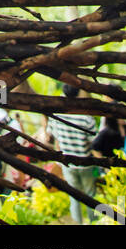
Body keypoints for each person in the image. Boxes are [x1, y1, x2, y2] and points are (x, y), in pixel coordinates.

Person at [49, 85, 99, 224]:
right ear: (78, 93)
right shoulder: (86, 118)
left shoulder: (57, 115)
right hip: (85, 163)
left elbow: (54, 136)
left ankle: (78, 223)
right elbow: (94, 143)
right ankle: (93, 222)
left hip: (67, 162)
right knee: (90, 196)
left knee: (74, 196)